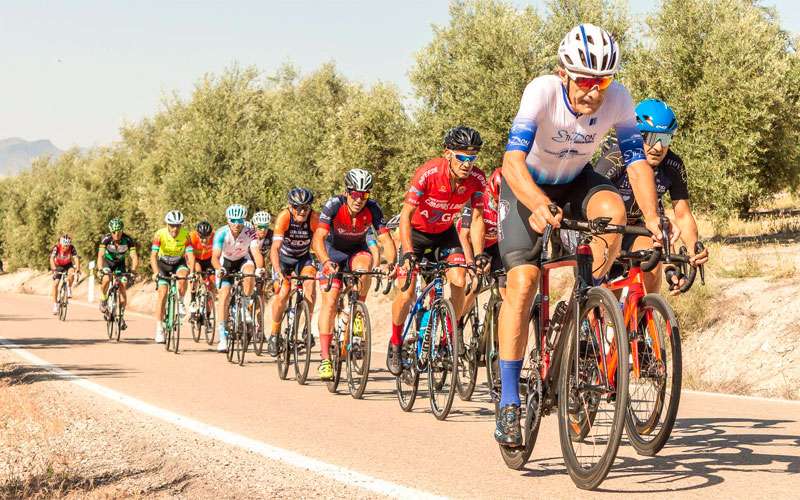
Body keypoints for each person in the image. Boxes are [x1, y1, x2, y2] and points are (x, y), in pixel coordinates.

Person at [494, 24, 677, 446]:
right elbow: (511, 162)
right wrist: (538, 204)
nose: (595, 91)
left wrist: (652, 218)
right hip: (528, 186)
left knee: (613, 213)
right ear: (564, 73)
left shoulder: (619, 99)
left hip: (577, 180)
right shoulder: (541, 92)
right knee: (523, 284)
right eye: (586, 81)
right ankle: (508, 401)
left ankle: (586, 300)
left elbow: (635, 162)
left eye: (603, 81)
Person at [387, 126, 488, 376]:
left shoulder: (477, 178)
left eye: (472, 157)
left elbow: (476, 219)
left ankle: (450, 338)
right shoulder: (428, 173)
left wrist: (477, 255)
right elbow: (405, 216)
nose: (467, 163)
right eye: (462, 157)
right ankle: (396, 342)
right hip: (417, 235)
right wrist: (409, 253)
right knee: (407, 291)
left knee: (460, 277)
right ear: (447, 154)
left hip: (444, 234)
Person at [594, 98, 709, 292]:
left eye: (664, 139)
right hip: (601, 227)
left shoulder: (673, 165)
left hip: (635, 227)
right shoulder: (615, 158)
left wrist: (693, 248)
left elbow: (682, 214)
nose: (657, 147)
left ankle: (642, 318)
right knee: (602, 291)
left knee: (652, 262)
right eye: (650, 137)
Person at [312, 169, 396, 380]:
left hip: (355, 251)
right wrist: (325, 262)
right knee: (330, 302)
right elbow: (318, 238)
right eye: (355, 194)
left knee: (365, 265)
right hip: (332, 252)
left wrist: (391, 263)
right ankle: (324, 360)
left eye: (364, 195)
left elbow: (385, 240)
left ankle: (357, 310)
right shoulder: (333, 205)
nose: (360, 199)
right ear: (347, 192)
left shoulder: (373, 209)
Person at [269, 188, 319, 357]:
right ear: (291, 207)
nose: (302, 211)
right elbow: (275, 248)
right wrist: (277, 271)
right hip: (284, 259)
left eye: (306, 207)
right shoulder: (284, 217)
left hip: (303, 258)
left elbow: (320, 243)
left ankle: (307, 329)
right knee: (283, 293)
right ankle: (274, 334)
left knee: (311, 284)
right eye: (298, 207)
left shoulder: (313, 218)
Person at [212, 204, 266, 352]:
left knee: (251, 270)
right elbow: (215, 257)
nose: (237, 224)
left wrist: (260, 268)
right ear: (228, 220)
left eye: (240, 220)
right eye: (233, 220)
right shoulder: (221, 233)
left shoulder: (250, 233)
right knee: (224, 296)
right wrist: (219, 269)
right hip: (226, 263)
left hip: (242, 260)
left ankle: (244, 305)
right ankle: (222, 336)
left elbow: (256, 253)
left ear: (244, 220)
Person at [458, 168, 506, 306]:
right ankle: (458, 321)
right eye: (496, 201)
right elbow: (464, 236)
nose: (498, 205)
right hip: (469, 243)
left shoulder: (509, 205)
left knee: (505, 291)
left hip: (492, 245)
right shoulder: (479, 200)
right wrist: (470, 264)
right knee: (476, 284)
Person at [150, 210, 195, 343]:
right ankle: (159, 328)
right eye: (172, 225)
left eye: (178, 225)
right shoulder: (160, 234)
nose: (175, 228)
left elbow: (191, 256)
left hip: (178, 263)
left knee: (183, 276)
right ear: (167, 224)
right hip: (162, 265)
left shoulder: (186, 235)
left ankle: (180, 301)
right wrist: (155, 272)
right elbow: (153, 256)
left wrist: (192, 272)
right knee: (162, 294)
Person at [97, 218, 139, 327]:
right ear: (111, 231)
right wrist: (100, 269)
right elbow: (100, 255)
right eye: (114, 232)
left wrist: (133, 270)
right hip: (108, 263)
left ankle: (120, 316)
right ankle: (103, 299)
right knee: (106, 279)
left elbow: (134, 256)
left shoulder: (128, 240)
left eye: (119, 231)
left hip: (120, 265)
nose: (117, 234)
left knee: (123, 286)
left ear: (122, 230)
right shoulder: (106, 239)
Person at [188, 220, 216, 314]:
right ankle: (192, 300)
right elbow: (190, 256)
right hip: (196, 260)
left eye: (206, 237)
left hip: (209, 260)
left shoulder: (215, 237)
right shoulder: (191, 237)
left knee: (212, 285)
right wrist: (193, 272)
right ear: (197, 234)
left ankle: (208, 314)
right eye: (201, 237)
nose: (204, 240)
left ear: (210, 235)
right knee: (197, 274)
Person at [50, 234, 80, 315]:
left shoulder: (72, 248)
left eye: (67, 246)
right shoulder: (56, 247)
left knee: (72, 273)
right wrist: (54, 269)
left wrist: (78, 268)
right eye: (64, 245)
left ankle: (69, 288)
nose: (66, 247)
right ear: (61, 243)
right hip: (58, 266)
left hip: (68, 265)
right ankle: (55, 305)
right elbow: (51, 258)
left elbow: (76, 258)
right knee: (55, 284)